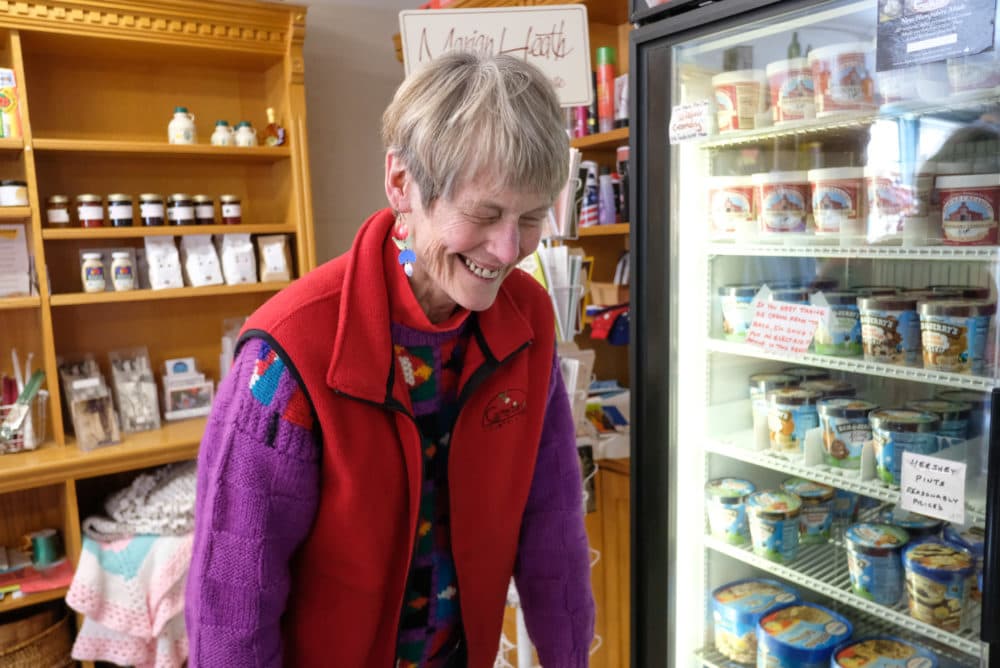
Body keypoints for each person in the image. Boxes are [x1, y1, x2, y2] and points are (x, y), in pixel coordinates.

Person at [185, 51, 595, 667]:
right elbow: (233, 598)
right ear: (402, 183)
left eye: (530, 217)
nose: (509, 249)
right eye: (484, 214)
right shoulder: (287, 354)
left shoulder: (529, 319)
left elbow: (553, 526)